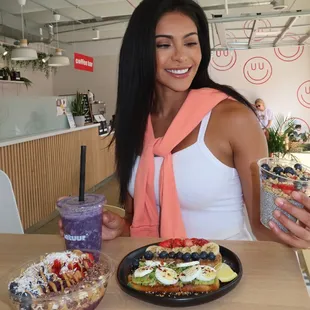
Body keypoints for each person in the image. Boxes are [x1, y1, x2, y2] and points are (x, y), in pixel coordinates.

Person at [60, 0, 310, 248]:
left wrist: (300, 230)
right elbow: (137, 220)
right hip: (159, 275)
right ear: (140, 52)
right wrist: (119, 228)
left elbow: (262, 226)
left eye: (191, 42)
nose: (181, 56)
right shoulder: (135, 123)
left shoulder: (234, 118)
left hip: (227, 274)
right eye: (163, 45)